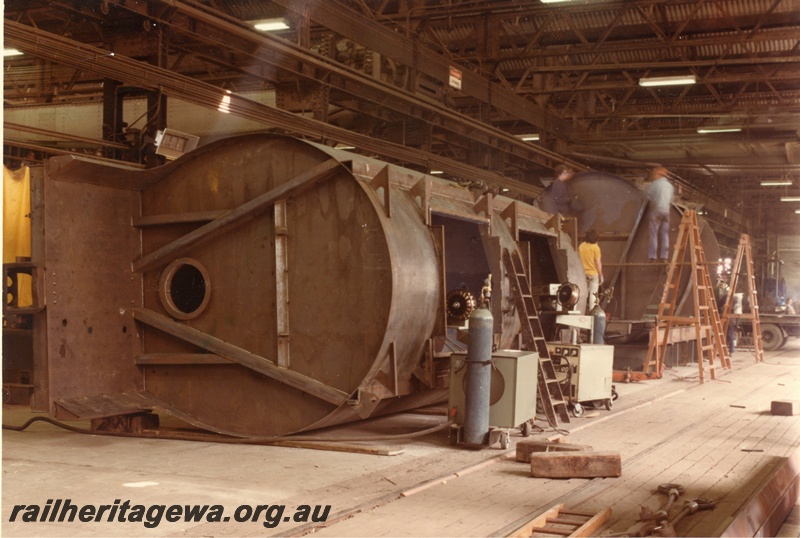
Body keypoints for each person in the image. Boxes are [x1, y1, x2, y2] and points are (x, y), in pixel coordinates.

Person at [644, 166, 675, 262]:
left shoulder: (654, 184)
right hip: (666, 212)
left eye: (654, 174)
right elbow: (670, 200)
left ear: (658, 174)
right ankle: (664, 257)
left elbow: (647, 197)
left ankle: (652, 257)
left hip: (655, 210)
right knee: (664, 234)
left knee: (653, 234)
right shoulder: (670, 186)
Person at [579, 229, 603, 310]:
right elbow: (598, 263)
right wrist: (601, 275)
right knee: (593, 295)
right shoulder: (596, 248)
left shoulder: (581, 246)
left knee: (583, 294)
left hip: (582, 274)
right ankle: (592, 313)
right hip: (593, 274)